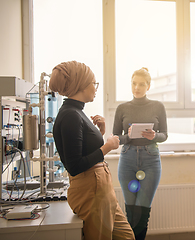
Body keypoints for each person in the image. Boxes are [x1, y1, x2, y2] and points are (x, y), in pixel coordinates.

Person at [50, 61, 135, 240]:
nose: (96, 88)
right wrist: (108, 146)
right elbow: (75, 165)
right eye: (93, 83)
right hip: (91, 189)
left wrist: (100, 133)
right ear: (81, 84)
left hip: (100, 186)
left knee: (126, 236)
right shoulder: (71, 115)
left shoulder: (75, 112)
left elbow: (83, 151)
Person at [113, 67, 168, 240]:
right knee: (131, 209)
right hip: (127, 158)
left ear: (148, 86)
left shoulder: (158, 106)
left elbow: (164, 135)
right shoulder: (122, 108)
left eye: (141, 84)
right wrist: (127, 137)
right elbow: (116, 138)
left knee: (142, 208)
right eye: (134, 83)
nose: (137, 87)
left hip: (150, 159)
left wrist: (154, 136)